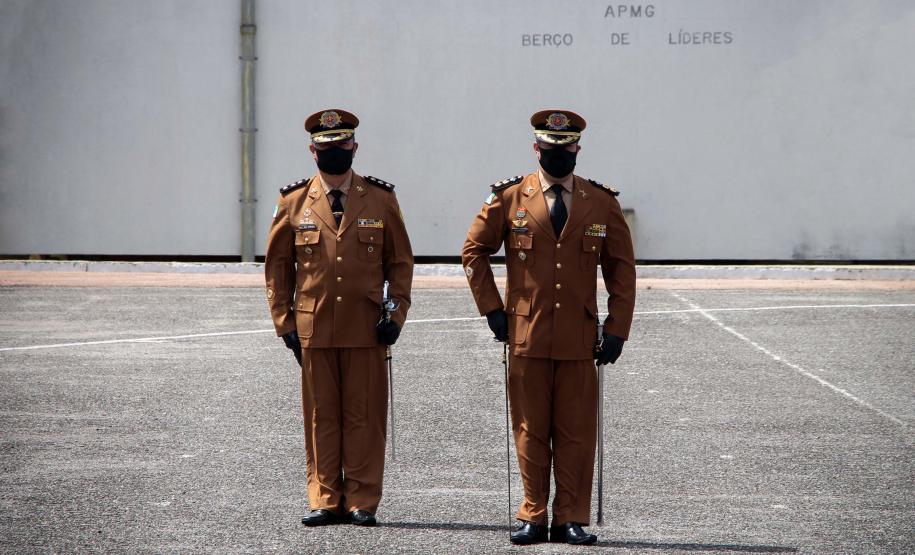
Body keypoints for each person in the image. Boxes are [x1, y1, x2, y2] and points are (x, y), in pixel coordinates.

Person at [462, 109, 636, 545]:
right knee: (530, 430)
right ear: (536, 148)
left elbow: (621, 269)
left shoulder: (601, 202)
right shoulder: (509, 197)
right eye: (550, 147)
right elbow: (473, 251)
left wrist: (618, 327)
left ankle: (570, 517)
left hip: (579, 337)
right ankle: (533, 514)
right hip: (527, 334)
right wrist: (492, 308)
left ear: (578, 149)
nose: (559, 154)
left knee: (576, 433)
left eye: (566, 147)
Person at [264, 108, 413, 527]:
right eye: (326, 147)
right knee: (321, 416)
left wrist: (397, 314)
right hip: (314, 328)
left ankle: (362, 500)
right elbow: (277, 267)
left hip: (367, 327)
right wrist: (284, 322)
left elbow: (400, 263)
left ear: (354, 147)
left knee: (363, 416)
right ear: (313, 152)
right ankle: (325, 498)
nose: (335, 151)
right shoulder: (293, 201)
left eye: (342, 144)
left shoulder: (380, 199)